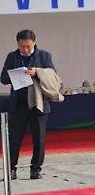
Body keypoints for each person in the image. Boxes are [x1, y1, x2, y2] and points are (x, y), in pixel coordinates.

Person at [0, 30, 55, 180]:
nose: (25, 49)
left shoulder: (44, 56)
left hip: (38, 103)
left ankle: (35, 169)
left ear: (34, 43)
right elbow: (3, 78)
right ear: (17, 44)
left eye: (28, 46)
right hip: (19, 104)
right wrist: (16, 74)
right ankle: (11, 169)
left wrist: (37, 72)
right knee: (14, 138)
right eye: (22, 46)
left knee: (39, 139)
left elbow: (52, 74)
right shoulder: (12, 56)